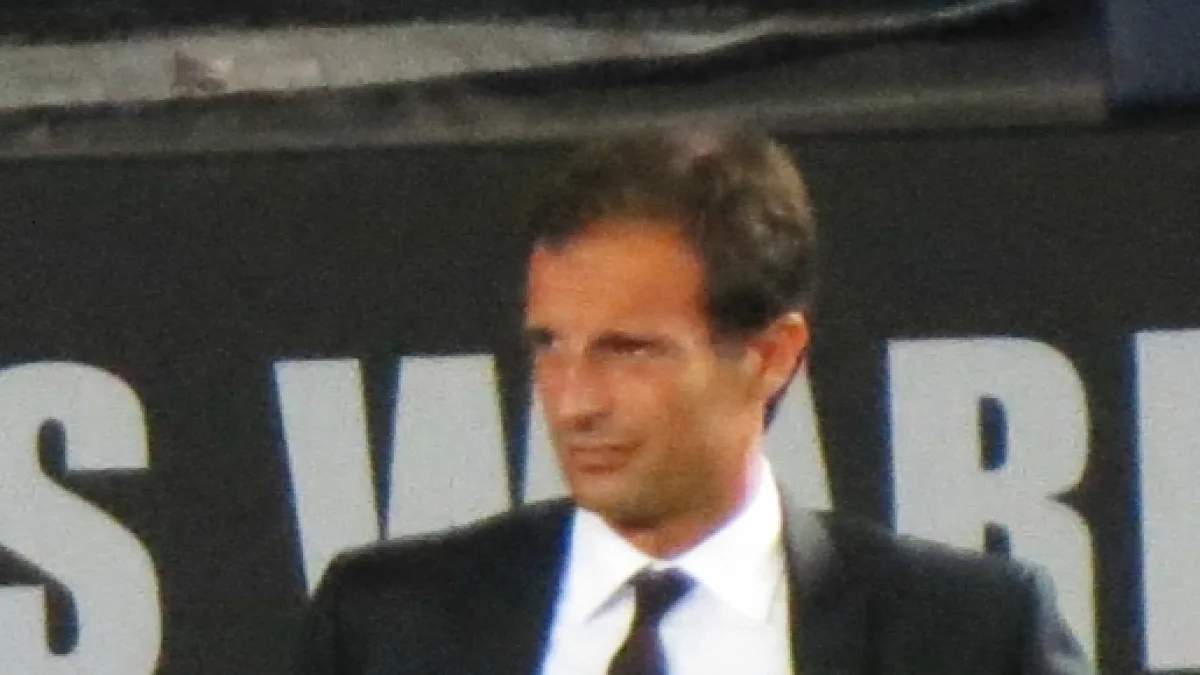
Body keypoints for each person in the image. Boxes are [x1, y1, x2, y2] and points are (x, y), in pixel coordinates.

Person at [296, 124, 1092, 675]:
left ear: (771, 355)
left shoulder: (970, 638)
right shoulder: (387, 626)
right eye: (550, 345)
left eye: (628, 349)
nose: (572, 402)